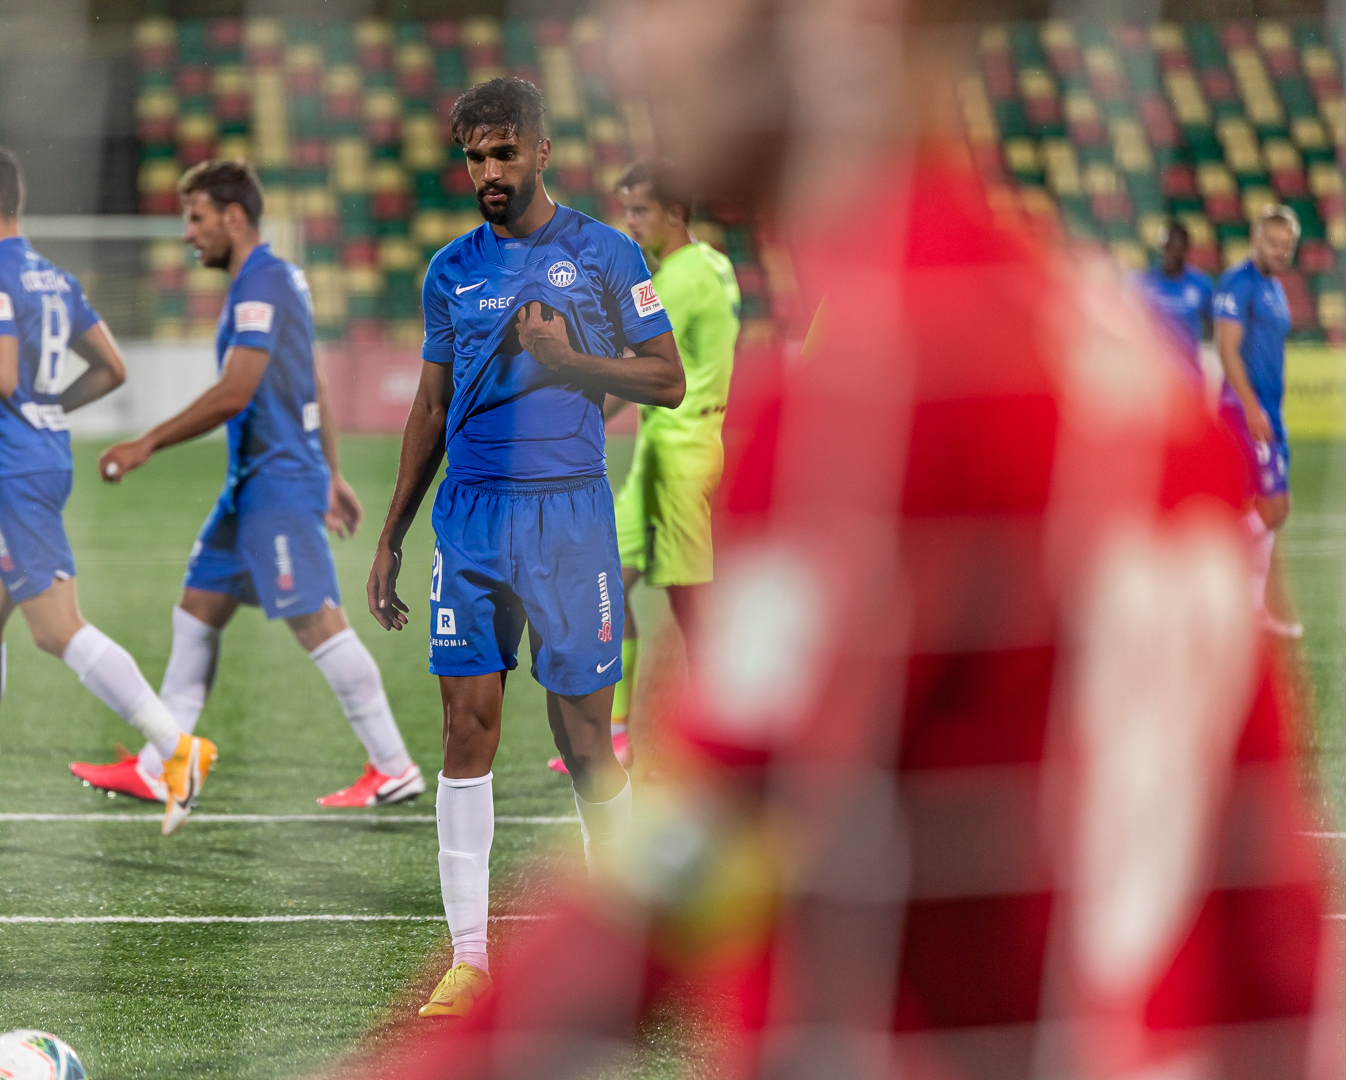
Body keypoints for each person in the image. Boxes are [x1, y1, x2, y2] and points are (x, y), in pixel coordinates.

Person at [328, 1, 1341, 1075]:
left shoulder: (887, 384)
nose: (629, 47)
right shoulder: (1110, 347)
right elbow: (1267, 913)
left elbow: (693, 854)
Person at [366, 77, 683, 1017]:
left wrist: (571, 362)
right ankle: (470, 960)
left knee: (587, 740)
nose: (489, 172)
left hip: (570, 519)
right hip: (469, 520)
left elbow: (665, 378)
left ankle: (623, 949)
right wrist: (391, 535)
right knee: (467, 729)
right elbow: (429, 406)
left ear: (542, 151)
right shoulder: (449, 271)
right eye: (475, 157)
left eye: (505, 153)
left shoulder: (606, 252)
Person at [0, 147, 216, 837]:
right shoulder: (54, 278)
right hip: (35, 457)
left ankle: (177, 750)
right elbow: (111, 368)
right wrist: (48, 404)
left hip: (14, 470)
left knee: (56, 628)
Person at [74, 160, 423, 810]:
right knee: (196, 613)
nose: (188, 234)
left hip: (277, 489)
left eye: (197, 218)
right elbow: (313, 380)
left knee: (319, 623)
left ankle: (394, 766)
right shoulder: (278, 279)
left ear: (234, 217)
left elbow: (238, 391)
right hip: (256, 487)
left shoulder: (261, 284)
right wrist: (335, 473)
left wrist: (146, 441)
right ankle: (163, 763)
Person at [547, 159, 738, 776]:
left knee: (690, 602)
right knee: (607, 575)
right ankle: (620, 729)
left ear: (674, 213)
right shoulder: (714, 264)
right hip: (666, 448)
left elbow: (637, 373)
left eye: (639, 212)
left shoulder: (678, 280)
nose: (628, 223)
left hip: (684, 454)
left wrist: (571, 432)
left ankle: (721, 732)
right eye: (625, 210)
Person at [1214, 205, 1302, 638]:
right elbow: (1227, 347)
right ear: (1255, 238)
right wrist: (1249, 406)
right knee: (1273, 508)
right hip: (1245, 410)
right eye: (1272, 242)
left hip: (1270, 411)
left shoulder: (1275, 289)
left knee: (1267, 509)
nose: (1279, 251)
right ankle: (1213, 561)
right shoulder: (1239, 281)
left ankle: (1251, 611)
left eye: (1286, 245)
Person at [1136, 219, 1215, 385]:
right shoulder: (1143, 282)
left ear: (1186, 250)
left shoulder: (1201, 285)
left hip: (1190, 381)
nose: (1169, 253)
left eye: (1175, 248)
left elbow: (1221, 324)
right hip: (1153, 383)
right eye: (1165, 247)